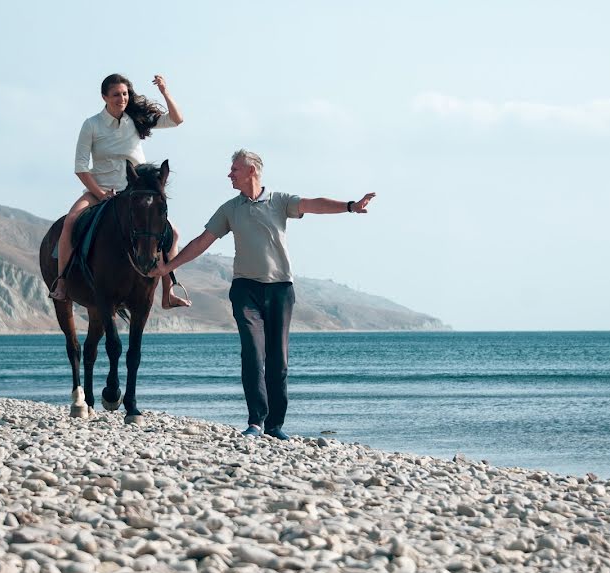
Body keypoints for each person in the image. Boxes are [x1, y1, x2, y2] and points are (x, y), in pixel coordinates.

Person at [150, 149, 375, 440]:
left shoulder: (280, 201)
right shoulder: (230, 209)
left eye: (235, 169)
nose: (229, 174)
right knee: (253, 355)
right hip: (245, 289)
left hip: (281, 289)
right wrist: (168, 267)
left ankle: (275, 426)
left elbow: (314, 204)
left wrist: (349, 206)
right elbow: (201, 242)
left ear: (252, 171)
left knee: (278, 361)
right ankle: (255, 422)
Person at [49, 73, 191, 309]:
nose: (122, 98)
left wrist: (165, 92)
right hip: (99, 190)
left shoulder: (135, 119)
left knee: (173, 233)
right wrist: (100, 193)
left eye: (125, 94)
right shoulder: (91, 125)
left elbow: (177, 119)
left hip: (134, 194)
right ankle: (62, 282)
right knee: (70, 222)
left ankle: (168, 292)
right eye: (116, 95)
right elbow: (81, 168)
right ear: (104, 97)